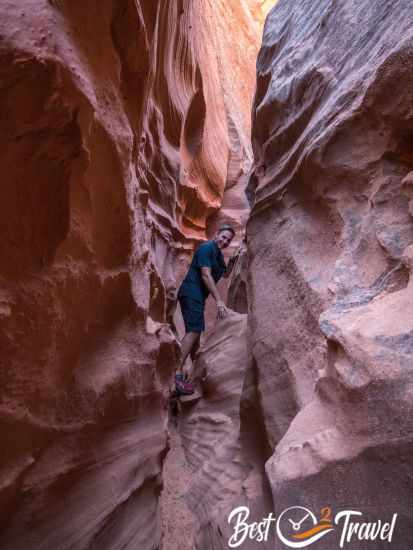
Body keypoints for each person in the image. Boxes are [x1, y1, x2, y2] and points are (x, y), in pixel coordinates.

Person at [175, 224, 238, 395]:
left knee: (196, 337)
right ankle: (176, 373)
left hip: (197, 297)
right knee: (194, 331)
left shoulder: (217, 255)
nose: (225, 241)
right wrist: (219, 300)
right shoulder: (207, 248)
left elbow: (224, 274)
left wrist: (234, 260)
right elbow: (205, 274)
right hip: (191, 292)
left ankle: (190, 376)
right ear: (216, 234)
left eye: (228, 240)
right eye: (223, 237)